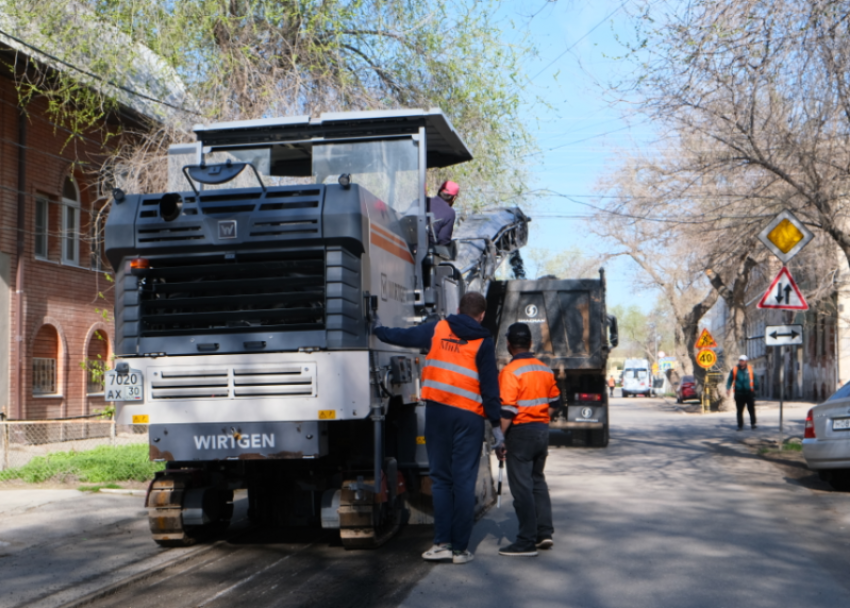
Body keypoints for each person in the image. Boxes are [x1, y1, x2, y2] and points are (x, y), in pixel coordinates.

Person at [373, 291, 502, 564]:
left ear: (457, 308)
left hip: (438, 413)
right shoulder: (483, 340)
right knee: (463, 483)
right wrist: (498, 430)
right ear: (481, 316)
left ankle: (441, 543)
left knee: (441, 480)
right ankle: (459, 550)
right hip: (469, 418)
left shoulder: (438, 328)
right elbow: (490, 390)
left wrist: (378, 329)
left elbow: (403, 336)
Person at [497, 323, 560, 557]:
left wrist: (499, 438)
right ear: (530, 343)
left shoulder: (510, 372)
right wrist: (540, 418)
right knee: (537, 481)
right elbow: (555, 403)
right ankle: (544, 533)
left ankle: (525, 541)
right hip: (541, 430)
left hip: (520, 433)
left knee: (522, 487)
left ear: (509, 344)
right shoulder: (544, 369)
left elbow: (507, 411)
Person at [726, 355, 759, 430]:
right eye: (740, 360)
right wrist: (728, 388)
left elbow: (755, 379)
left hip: (749, 393)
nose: (741, 362)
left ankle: (753, 424)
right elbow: (730, 379)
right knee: (739, 410)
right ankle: (740, 425)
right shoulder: (735, 369)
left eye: (743, 361)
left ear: (746, 361)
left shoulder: (750, 369)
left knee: (751, 409)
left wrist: (756, 388)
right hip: (739, 393)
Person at [428, 180, 459, 245]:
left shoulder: (421, 201)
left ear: (439, 191)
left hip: (406, 247)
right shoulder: (450, 212)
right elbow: (443, 241)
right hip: (426, 250)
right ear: (454, 198)